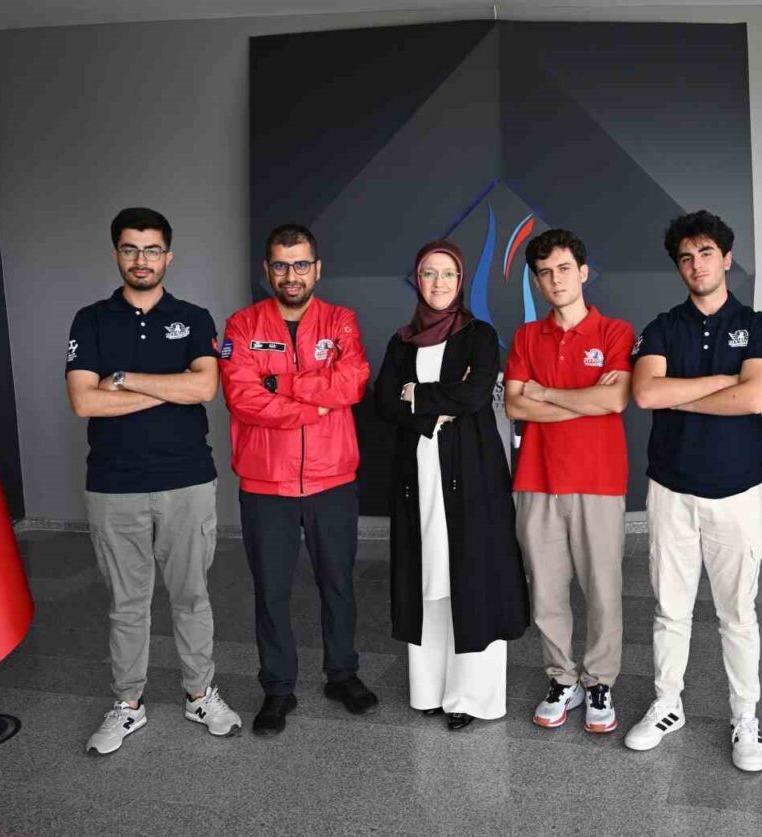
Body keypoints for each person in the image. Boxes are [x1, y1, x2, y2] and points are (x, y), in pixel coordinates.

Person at [66, 207, 241, 755]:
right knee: (126, 603)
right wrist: (168, 389)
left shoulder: (193, 317)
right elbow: (83, 401)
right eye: (130, 249)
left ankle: (200, 694)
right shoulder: (90, 320)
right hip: (112, 484)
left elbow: (205, 389)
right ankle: (128, 705)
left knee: (191, 596)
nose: (141, 260)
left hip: (186, 480)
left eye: (151, 250)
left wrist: (121, 380)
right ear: (116, 254)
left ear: (168, 256)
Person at [624, 210, 762, 773]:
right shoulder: (663, 326)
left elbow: (754, 398)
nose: (697, 265)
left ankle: (745, 717)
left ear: (727, 259)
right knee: (671, 610)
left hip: (736, 493)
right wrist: (722, 381)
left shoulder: (756, 324)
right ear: (679, 267)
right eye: (686, 258)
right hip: (671, 489)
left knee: (738, 614)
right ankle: (668, 704)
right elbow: (646, 394)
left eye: (707, 253)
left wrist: (680, 392)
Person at [219, 223, 378, 737]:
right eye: (282, 265)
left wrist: (282, 384)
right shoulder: (242, 325)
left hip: (333, 480)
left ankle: (342, 675)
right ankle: (277, 688)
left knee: (339, 584)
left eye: (301, 264)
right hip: (266, 483)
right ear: (267, 270)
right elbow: (244, 398)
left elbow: (352, 382)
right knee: (270, 591)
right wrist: (315, 405)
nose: (292, 275)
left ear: (317, 269)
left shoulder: (340, 320)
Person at [374, 239, 530, 731]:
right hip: (416, 475)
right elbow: (384, 400)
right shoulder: (401, 341)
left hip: (471, 475)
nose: (438, 283)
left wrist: (416, 394)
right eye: (428, 273)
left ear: (461, 281)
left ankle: (470, 696)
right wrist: (432, 409)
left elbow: (475, 393)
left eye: (448, 274)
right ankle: (429, 690)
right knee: (426, 575)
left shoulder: (479, 335)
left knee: (470, 574)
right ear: (417, 280)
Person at [502, 229, 633, 733]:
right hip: (536, 480)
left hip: (598, 480)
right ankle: (562, 679)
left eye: (563, 269)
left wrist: (544, 392)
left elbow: (614, 400)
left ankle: (599, 681)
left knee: (603, 590)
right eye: (544, 273)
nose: (555, 280)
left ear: (582, 272)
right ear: (537, 282)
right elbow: (515, 406)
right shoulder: (526, 337)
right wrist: (581, 400)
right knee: (546, 593)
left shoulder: (615, 332)